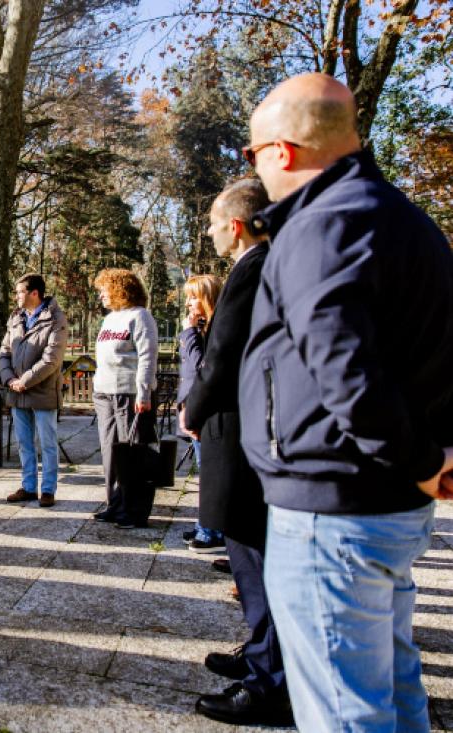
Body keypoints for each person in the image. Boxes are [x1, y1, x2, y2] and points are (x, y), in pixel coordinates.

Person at [239, 73, 453, 731]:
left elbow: (346, 370)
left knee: (344, 712)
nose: (254, 169)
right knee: (394, 690)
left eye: (251, 155)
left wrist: (418, 456)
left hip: (332, 508)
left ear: (282, 151)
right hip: (386, 503)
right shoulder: (405, 219)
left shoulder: (320, 226)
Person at [182, 179, 290, 726]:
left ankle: (270, 679)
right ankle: (260, 653)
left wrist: (191, 408)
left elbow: (222, 355)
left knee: (253, 549)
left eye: (213, 222)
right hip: (244, 428)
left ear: (238, 225)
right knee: (247, 550)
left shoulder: (253, 269)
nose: (209, 231)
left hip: (242, 428)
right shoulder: (262, 265)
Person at [90, 268, 159, 529]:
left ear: (121, 289)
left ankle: (134, 510)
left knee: (133, 453)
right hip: (104, 393)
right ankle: (114, 504)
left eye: (104, 290)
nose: (101, 296)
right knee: (110, 451)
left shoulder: (141, 317)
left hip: (130, 394)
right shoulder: (110, 320)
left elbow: (147, 357)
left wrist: (143, 392)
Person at [0, 274, 69, 507]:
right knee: (23, 443)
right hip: (16, 392)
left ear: (34, 293)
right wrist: (9, 379)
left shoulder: (56, 319)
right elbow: (4, 351)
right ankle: (28, 487)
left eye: (20, 292)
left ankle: (48, 489)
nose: (16, 296)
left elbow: (52, 359)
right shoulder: (15, 317)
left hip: (42, 391)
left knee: (47, 443)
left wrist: (25, 381)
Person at [176, 274, 225, 552]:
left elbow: (199, 367)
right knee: (203, 471)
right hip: (192, 406)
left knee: (210, 472)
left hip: (207, 410)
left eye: (194, 296)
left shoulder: (212, 330)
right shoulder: (202, 328)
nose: (189, 302)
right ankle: (204, 524)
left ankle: (212, 529)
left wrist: (189, 334)